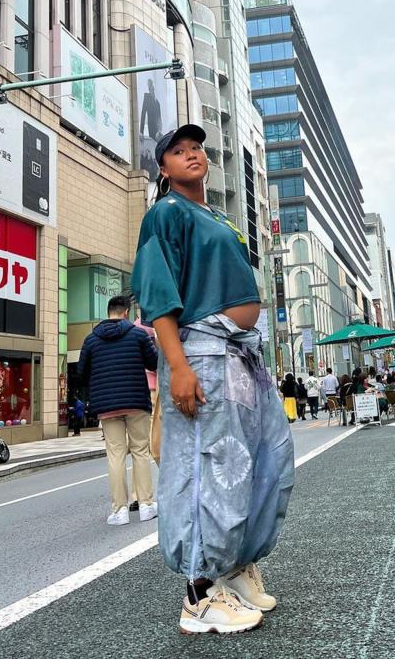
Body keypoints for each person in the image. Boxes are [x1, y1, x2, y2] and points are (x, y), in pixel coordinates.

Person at [131, 124, 293, 635]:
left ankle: (235, 564)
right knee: (209, 465)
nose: (191, 155)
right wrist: (177, 366)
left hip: (239, 354)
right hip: (200, 352)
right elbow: (158, 295)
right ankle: (200, 593)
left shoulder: (214, 215)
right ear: (164, 169)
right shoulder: (165, 213)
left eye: (196, 147)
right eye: (178, 152)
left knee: (264, 456)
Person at [78, 294, 159, 525]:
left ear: (108, 312)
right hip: (136, 401)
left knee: (115, 455)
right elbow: (153, 363)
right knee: (140, 451)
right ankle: (146, 505)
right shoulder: (137, 335)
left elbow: (81, 373)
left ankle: (120, 510)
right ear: (126, 313)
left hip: (106, 405)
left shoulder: (91, 339)